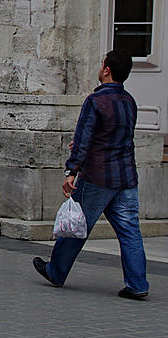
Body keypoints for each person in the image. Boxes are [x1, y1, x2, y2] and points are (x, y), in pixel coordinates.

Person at [33, 49, 149, 300]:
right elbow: (119, 137)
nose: (100, 67)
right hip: (126, 177)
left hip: (98, 176)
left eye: (101, 64)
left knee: (77, 226)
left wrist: (71, 171)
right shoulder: (129, 101)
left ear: (107, 70)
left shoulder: (95, 101)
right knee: (130, 231)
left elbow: (84, 139)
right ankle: (138, 283)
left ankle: (56, 271)